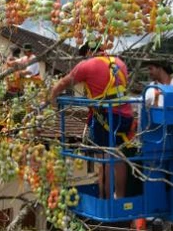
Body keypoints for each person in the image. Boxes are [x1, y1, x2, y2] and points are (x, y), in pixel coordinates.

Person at [49, 41, 134, 199]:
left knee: (104, 159)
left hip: (106, 118)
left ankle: (106, 200)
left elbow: (63, 83)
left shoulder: (87, 65)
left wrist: (53, 97)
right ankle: (120, 197)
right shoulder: (119, 63)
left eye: (84, 54)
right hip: (126, 117)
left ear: (89, 51)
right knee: (119, 157)